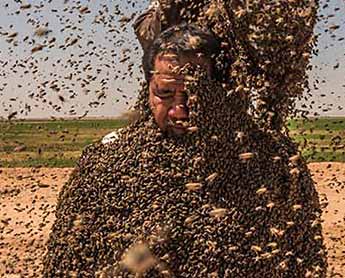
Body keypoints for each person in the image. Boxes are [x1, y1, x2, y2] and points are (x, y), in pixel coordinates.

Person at [43, 13, 326, 278]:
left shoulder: (276, 165)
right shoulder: (105, 163)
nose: (179, 111)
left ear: (223, 91)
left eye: (195, 93)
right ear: (147, 90)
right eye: (165, 93)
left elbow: (305, 259)